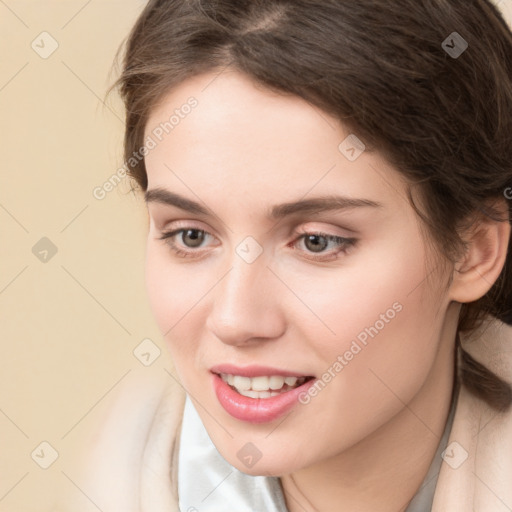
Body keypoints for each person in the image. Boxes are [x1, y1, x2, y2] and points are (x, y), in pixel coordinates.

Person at [64, 1, 512, 510]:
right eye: (191, 235)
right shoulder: (120, 476)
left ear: (475, 251)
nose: (236, 320)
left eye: (317, 241)